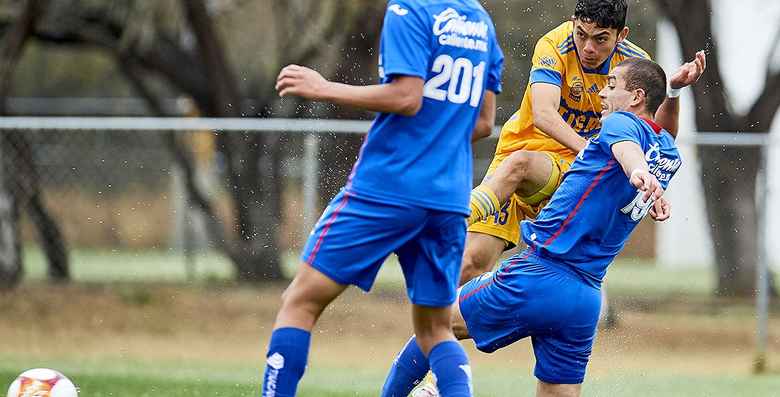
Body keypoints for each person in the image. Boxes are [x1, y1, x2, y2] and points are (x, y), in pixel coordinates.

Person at [382, 57, 681, 397]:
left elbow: (627, 151)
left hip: (540, 273)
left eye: (612, 85)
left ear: (636, 98)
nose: (602, 92)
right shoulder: (667, 151)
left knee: (433, 325)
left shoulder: (619, 126)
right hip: (583, 300)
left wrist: (636, 170)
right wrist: (673, 92)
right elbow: (665, 132)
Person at [261, 1, 504, 396]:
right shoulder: (480, 22)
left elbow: (407, 97)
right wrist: (438, 139)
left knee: (300, 302)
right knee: (435, 329)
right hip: (447, 199)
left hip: (389, 187)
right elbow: (482, 122)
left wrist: (324, 88)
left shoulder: (410, 9)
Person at [462, 0, 705, 285]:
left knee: (554, 275)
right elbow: (543, 114)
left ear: (621, 35)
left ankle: (448, 217)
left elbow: (655, 133)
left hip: (574, 173)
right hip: (527, 154)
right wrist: (593, 151)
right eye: (581, 34)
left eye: (600, 39)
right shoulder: (554, 44)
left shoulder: (633, 66)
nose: (588, 48)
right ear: (573, 23)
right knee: (469, 265)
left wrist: (673, 91)